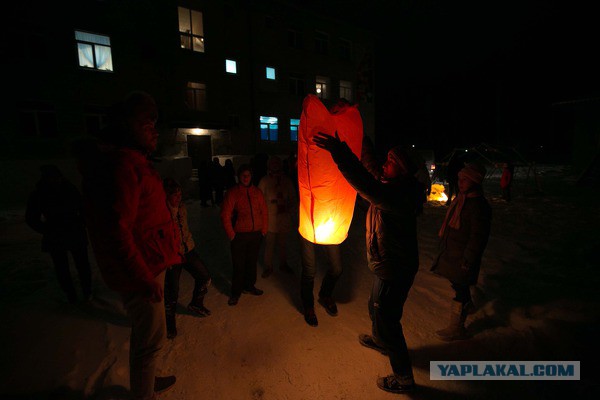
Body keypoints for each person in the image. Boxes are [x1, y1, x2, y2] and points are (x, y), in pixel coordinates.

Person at [77, 91, 179, 399]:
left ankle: (144, 382)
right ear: (131, 126)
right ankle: (143, 392)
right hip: (142, 271)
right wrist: (143, 278)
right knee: (151, 340)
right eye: (148, 124)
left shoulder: (132, 160)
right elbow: (116, 232)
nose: (155, 131)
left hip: (149, 263)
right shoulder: (123, 165)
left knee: (145, 336)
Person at [313, 132, 421, 394]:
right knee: (375, 308)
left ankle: (404, 377)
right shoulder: (390, 184)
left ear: (402, 169)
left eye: (391, 162)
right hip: (386, 263)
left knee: (388, 319)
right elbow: (370, 167)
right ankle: (379, 339)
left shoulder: (397, 195)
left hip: (396, 267)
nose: (385, 164)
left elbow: (364, 182)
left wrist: (339, 152)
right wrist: (361, 140)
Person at [431, 162, 492, 341]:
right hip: (453, 253)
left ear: (475, 181)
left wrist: (469, 257)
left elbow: (478, 236)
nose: (461, 183)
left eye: (465, 180)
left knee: (460, 289)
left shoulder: (478, 206)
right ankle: (467, 305)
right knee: (457, 283)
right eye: (460, 179)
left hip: (463, 257)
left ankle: (457, 327)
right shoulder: (461, 200)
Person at [25, 164, 92, 304]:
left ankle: (86, 292)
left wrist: (82, 221)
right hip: (60, 233)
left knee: (81, 265)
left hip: (71, 232)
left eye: (56, 177)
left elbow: (83, 208)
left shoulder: (68, 190)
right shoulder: (40, 194)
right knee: (64, 267)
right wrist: (47, 229)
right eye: (52, 178)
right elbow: (31, 218)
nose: (55, 180)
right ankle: (73, 294)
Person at [163, 178, 212, 340]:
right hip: (173, 255)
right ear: (167, 195)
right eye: (175, 195)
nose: (179, 197)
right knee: (172, 291)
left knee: (204, 277)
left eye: (180, 194)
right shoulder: (162, 212)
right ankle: (169, 323)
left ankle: (196, 303)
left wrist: (187, 243)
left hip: (188, 249)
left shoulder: (182, 208)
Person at [220, 164, 268, 306]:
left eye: (248, 175)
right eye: (243, 175)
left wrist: (263, 229)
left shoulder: (257, 192)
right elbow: (225, 214)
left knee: (251, 262)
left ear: (251, 176)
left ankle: (249, 286)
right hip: (239, 235)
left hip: (256, 234)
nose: (246, 178)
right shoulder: (233, 193)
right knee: (239, 264)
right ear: (239, 176)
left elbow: (264, 211)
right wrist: (231, 234)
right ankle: (236, 292)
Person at [258, 156, 296, 278]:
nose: (275, 165)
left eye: (277, 163)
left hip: (283, 218)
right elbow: (259, 200)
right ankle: (268, 266)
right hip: (270, 219)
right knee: (269, 244)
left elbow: (293, 199)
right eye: (272, 163)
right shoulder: (264, 181)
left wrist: (289, 210)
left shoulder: (287, 181)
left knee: (283, 244)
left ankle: (283, 264)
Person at [299, 238, 343, 327]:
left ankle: (325, 294)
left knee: (336, 269)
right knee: (309, 270)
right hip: (308, 228)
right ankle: (308, 306)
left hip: (331, 229)